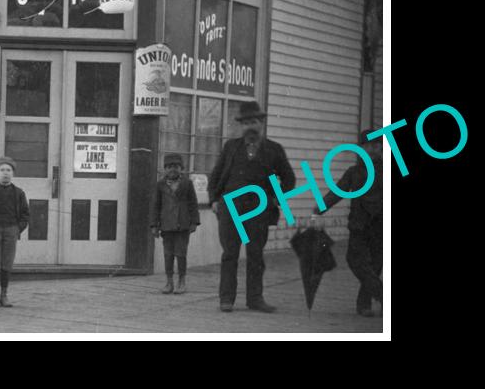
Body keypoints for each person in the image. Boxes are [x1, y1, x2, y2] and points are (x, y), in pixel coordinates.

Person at [207, 101, 295, 313]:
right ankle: (226, 299)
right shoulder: (230, 147)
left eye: (254, 122)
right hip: (231, 208)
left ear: (262, 123)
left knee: (255, 255)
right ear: (241, 126)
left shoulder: (274, 149)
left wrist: (275, 199)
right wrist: (214, 200)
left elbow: (289, 180)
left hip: (259, 210)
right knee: (230, 254)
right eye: (246, 123)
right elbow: (216, 176)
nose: (250, 127)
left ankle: (255, 299)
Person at [314, 130, 384, 316]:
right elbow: (338, 191)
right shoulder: (354, 172)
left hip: (381, 226)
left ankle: (364, 305)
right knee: (356, 261)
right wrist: (321, 206)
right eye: (368, 145)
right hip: (359, 225)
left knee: (375, 265)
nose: (373, 149)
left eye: (377, 145)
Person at [0, 157, 30, 307]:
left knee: (7, 262)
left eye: (8, 170)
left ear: (13, 174)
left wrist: (17, 229)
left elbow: (25, 214)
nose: (5, 173)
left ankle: (4, 294)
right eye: (2, 170)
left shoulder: (19, 193)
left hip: (11, 230)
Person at [151, 153, 199, 294]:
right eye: (170, 166)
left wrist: (194, 222)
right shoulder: (160, 185)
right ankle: (169, 282)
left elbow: (193, 203)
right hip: (167, 226)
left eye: (176, 166)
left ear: (181, 168)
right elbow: (155, 205)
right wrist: (154, 225)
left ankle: (182, 282)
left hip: (182, 225)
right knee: (168, 254)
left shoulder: (187, 183)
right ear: (165, 169)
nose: (173, 169)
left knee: (181, 254)